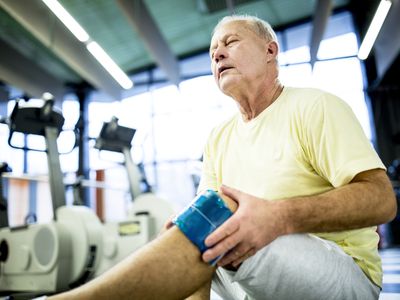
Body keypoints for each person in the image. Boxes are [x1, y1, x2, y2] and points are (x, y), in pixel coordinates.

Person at [49, 14, 396, 300]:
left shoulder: (314, 107)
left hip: (344, 274)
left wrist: (278, 217)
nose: (217, 54)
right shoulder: (219, 137)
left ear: (270, 51)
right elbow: (204, 221)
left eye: (230, 43)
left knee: (218, 220)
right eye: (213, 50)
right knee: (195, 225)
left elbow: (382, 201)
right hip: (257, 266)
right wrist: (183, 231)